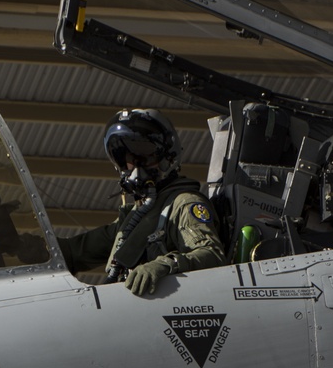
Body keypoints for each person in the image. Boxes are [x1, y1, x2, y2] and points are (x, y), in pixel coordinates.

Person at [58, 108, 226, 294]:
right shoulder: (134, 217)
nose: (136, 167)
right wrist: (26, 246)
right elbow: (75, 252)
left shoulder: (184, 203)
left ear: (167, 157)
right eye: (129, 159)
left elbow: (212, 254)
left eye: (145, 156)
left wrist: (165, 264)